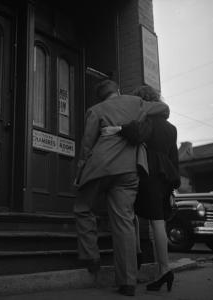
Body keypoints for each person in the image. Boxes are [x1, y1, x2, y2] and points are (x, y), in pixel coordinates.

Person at [73, 80, 170, 296]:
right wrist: (130, 126)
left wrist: (80, 174)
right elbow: (164, 109)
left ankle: (91, 257)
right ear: (117, 91)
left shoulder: (95, 110)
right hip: (129, 169)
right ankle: (127, 282)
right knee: (124, 221)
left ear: (102, 96)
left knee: (82, 207)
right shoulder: (136, 102)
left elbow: (87, 146)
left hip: (100, 167)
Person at [102, 85, 180, 293]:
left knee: (133, 213)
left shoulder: (146, 119)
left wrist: (116, 129)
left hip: (148, 171)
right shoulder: (171, 128)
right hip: (166, 175)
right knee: (157, 221)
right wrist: (172, 186)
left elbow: (136, 133)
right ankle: (161, 268)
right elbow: (174, 158)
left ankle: (158, 266)